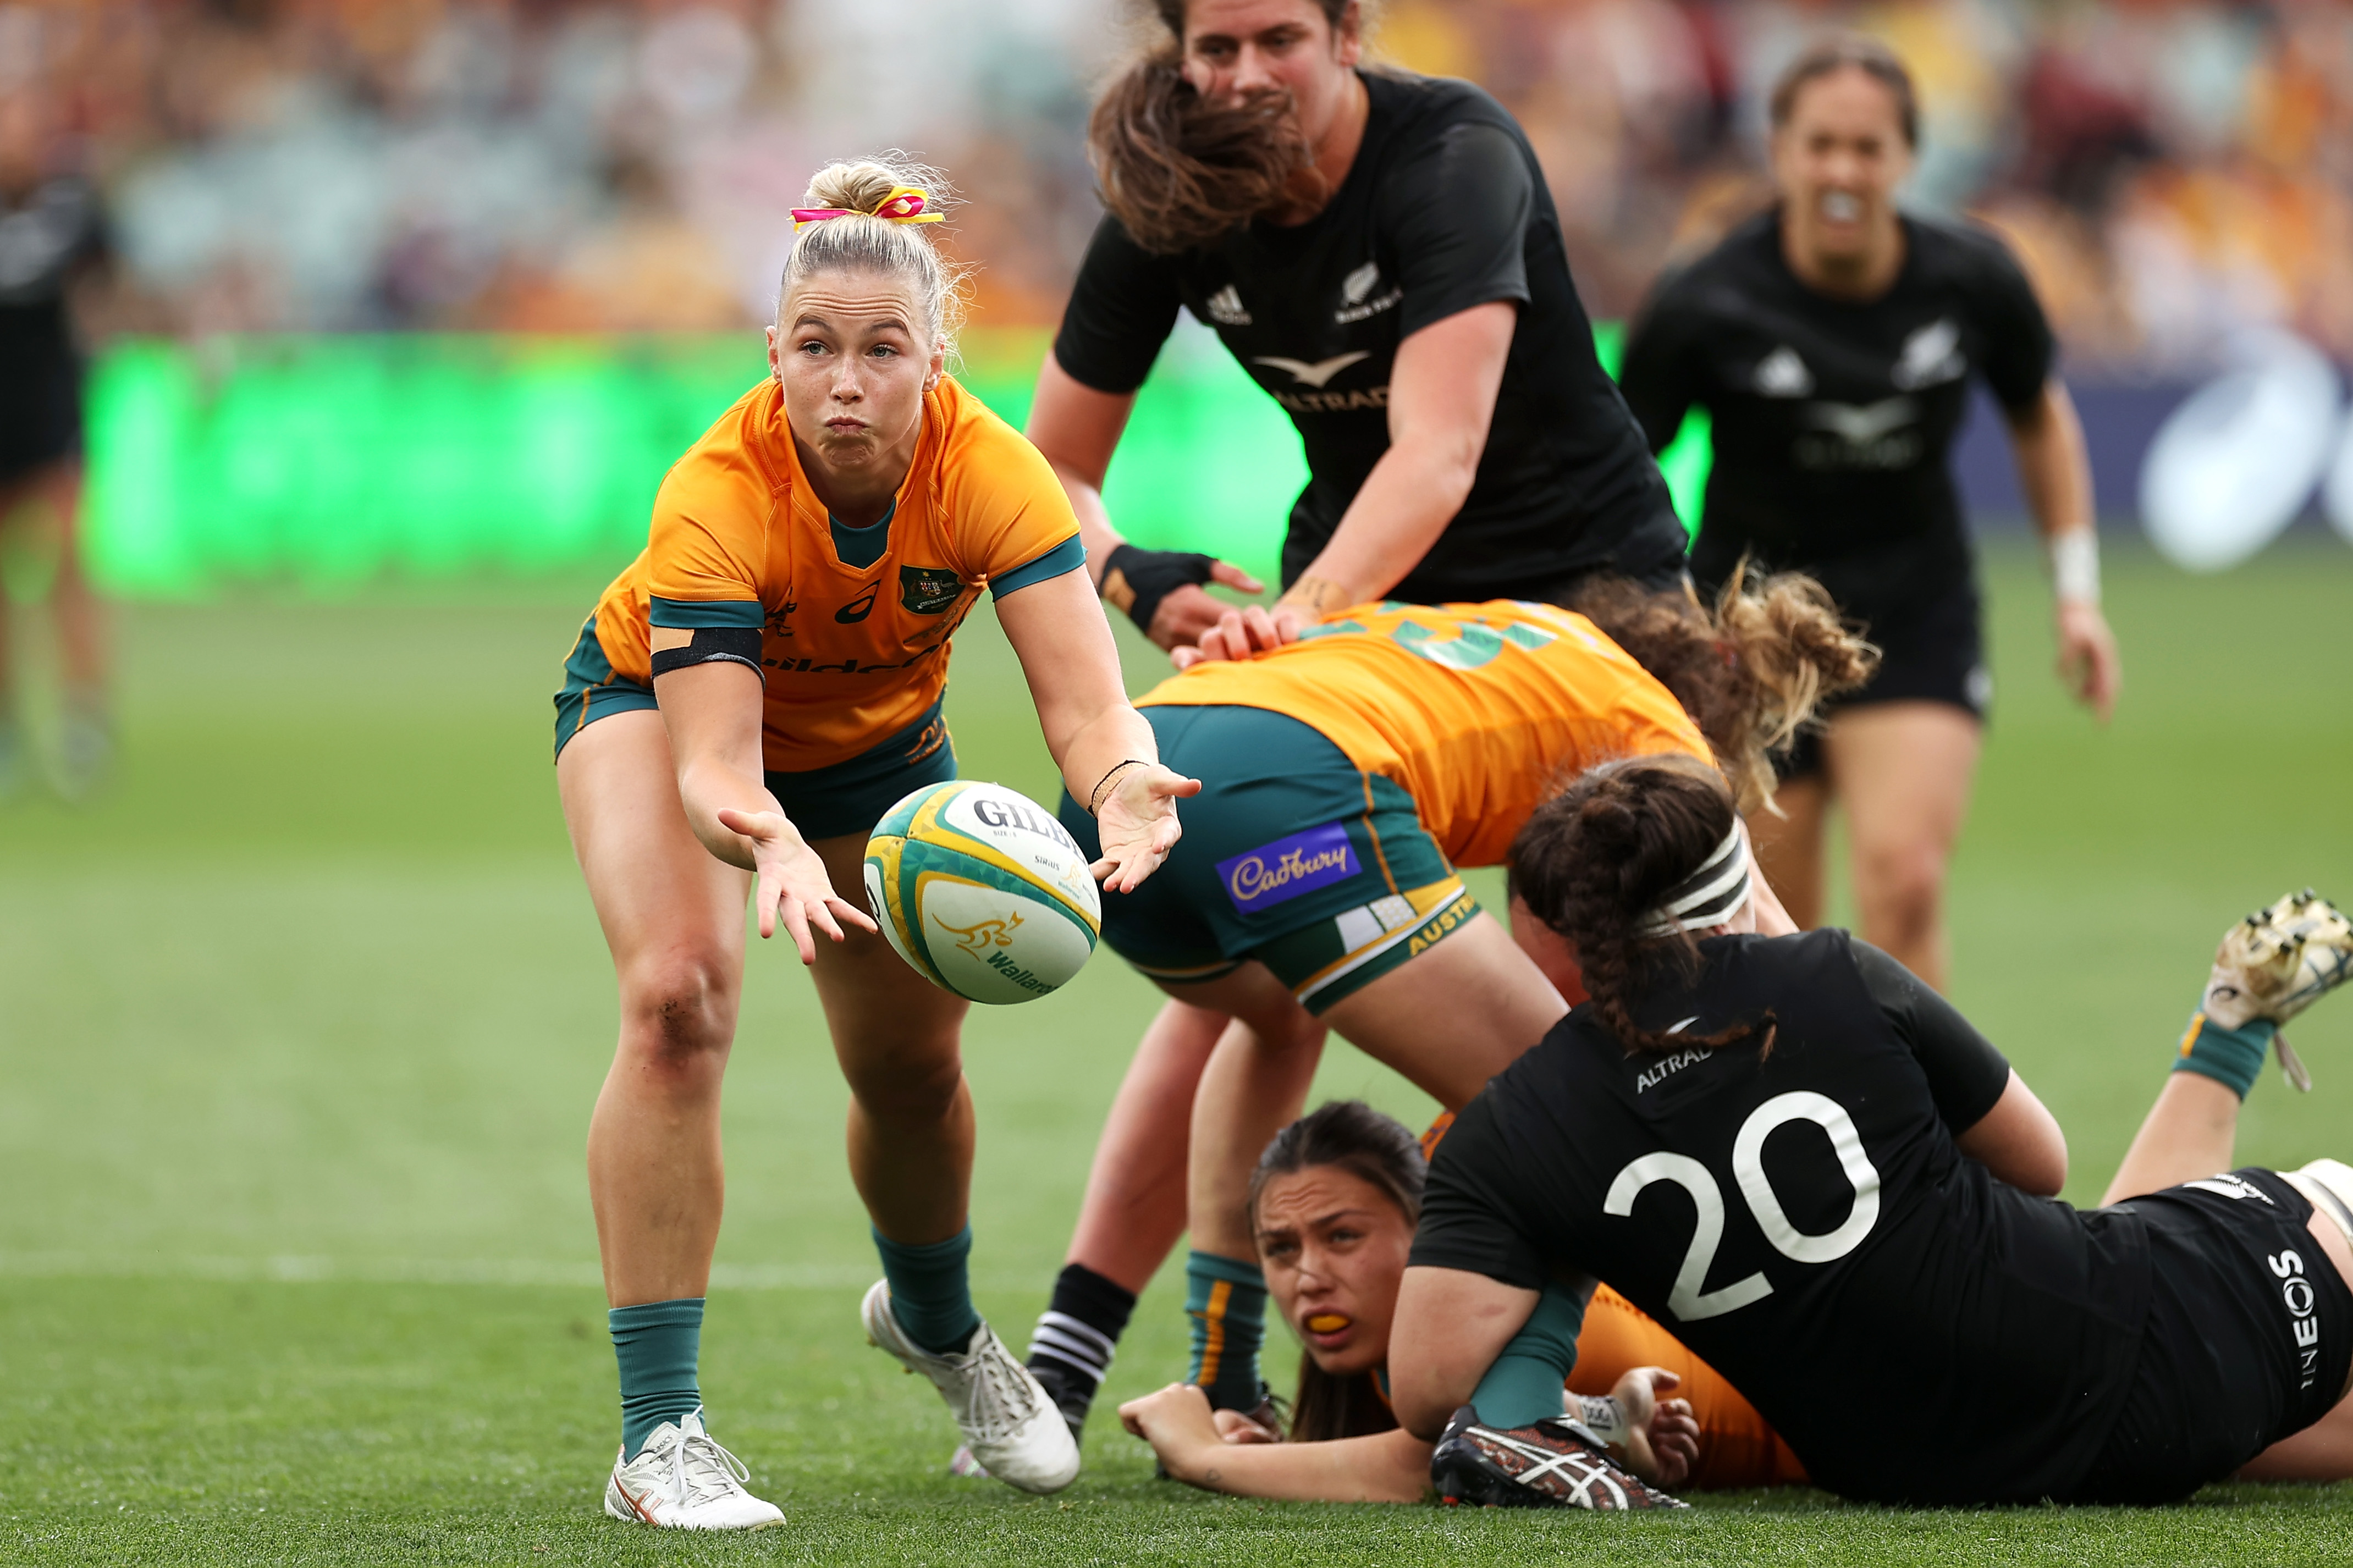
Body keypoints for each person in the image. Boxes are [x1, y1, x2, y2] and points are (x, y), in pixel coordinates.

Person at [552, 158, 1194, 1528]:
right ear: (774, 352)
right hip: (657, 718)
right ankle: (657, 1436)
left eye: (880, 349)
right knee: (679, 999)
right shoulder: (715, 495)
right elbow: (716, 760)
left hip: (875, 753)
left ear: (934, 360)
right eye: (814, 346)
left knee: (908, 1070)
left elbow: (1086, 704)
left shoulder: (993, 473)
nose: (844, 380)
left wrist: (1130, 778)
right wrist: (770, 844)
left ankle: (939, 1326)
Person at [988, 577, 1872, 1460]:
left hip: (1127, 774)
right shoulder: (1657, 735)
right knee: (1574, 1122)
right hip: (1294, 789)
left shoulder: (1514, 635)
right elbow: (1775, 957)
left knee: (1274, 1021)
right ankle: (1535, 1416)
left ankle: (1220, 1375)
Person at [1390, 752, 2353, 1506]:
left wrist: (1558, 1311)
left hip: (1931, 1467)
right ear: (1732, 882)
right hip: (2149, 1365)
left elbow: (1429, 1383)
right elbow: (2038, 1164)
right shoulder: (1829, 973)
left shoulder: (1506, 1128)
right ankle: (2227, 1033)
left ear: (1548, 932)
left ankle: (2228, 1022)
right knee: (2321, 1194)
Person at [1617, 35, 2123, 990]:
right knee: (1774, 919)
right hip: (1749, 631)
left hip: (1913, 608)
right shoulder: (1703, 298)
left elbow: (2038, 416)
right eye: (1820, 145)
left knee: (1903, 879)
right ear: (1779, 151)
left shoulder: (1971, 277)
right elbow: (1621, 462)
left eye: (1866, 147)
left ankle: (1919, 1121)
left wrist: (2075, 594)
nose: (1842, 170)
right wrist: (1652, 617)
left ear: (1905, 157)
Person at [1037, 0, 1689, 662]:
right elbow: (1052, 462)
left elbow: (1437, 450)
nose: (1248, 76)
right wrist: (1121, 571)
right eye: (1218, 51)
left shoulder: (1454, 152)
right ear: (1185, 60)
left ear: (1347, 34)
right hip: (1360, 587)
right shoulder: (1169, 200)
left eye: (1280, 40)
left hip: (1590, 576)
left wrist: (1290, 618)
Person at [1116, 1100, 1809, 1500]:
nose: (1309, 1276)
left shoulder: (1477, 1313)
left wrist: (1206, 1455)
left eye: (1343, 1235)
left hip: (1842, 1450)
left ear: (1433, 1230)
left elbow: (1437, 1461)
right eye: (1282, 1248)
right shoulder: (1396, 1369)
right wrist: (1272, 1450)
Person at [0, 83, 113, 800]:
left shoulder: (75, 207)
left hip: (52, 410)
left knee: (71, 566)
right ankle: (7, 728)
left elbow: (109, 293)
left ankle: (84, 721)